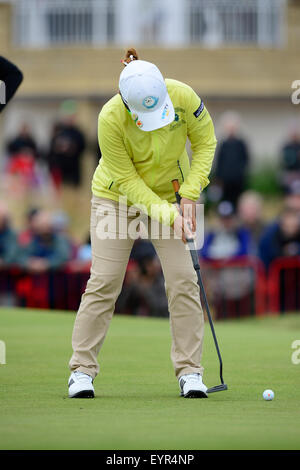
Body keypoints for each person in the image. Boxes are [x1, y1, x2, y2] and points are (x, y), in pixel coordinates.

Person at [68, 48, 217, 399]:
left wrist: (192, 194)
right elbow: (129, 182)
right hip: (115, 198)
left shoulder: (184, 96)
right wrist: (171, 215)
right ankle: (81, 371)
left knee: (183, 280)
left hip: (174, 194)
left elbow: (206, 142)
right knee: (104, 282)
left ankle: (191, 372)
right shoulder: (109, 118)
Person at [214, 112, 249, 207]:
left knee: (238, 200)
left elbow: (246, 160)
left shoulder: (241, 143)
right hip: (225, 181)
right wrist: (218, 178)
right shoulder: (223, 144)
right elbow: (219, 162)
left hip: (238, 180)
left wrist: (241, 172)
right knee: (226, 201)